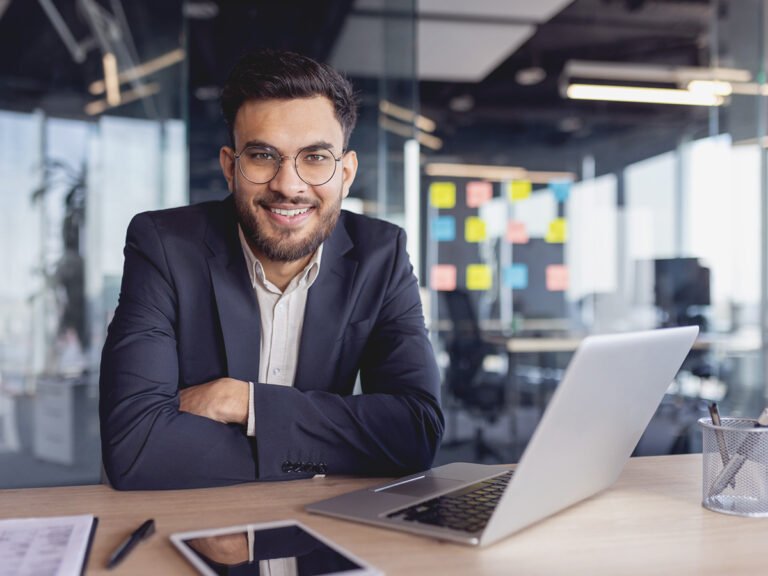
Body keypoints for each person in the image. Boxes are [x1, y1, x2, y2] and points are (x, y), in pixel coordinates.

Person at [99, 49, 444, 490]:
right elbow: (136, 448)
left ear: (347, 172)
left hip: (317, 525)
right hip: (186, 525)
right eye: (263, 156)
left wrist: (245, 403)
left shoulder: (382, 254)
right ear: (230, 167)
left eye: (316, 157)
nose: (288, 185)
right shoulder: (164, 246)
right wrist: (330, 449)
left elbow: (415, 432)